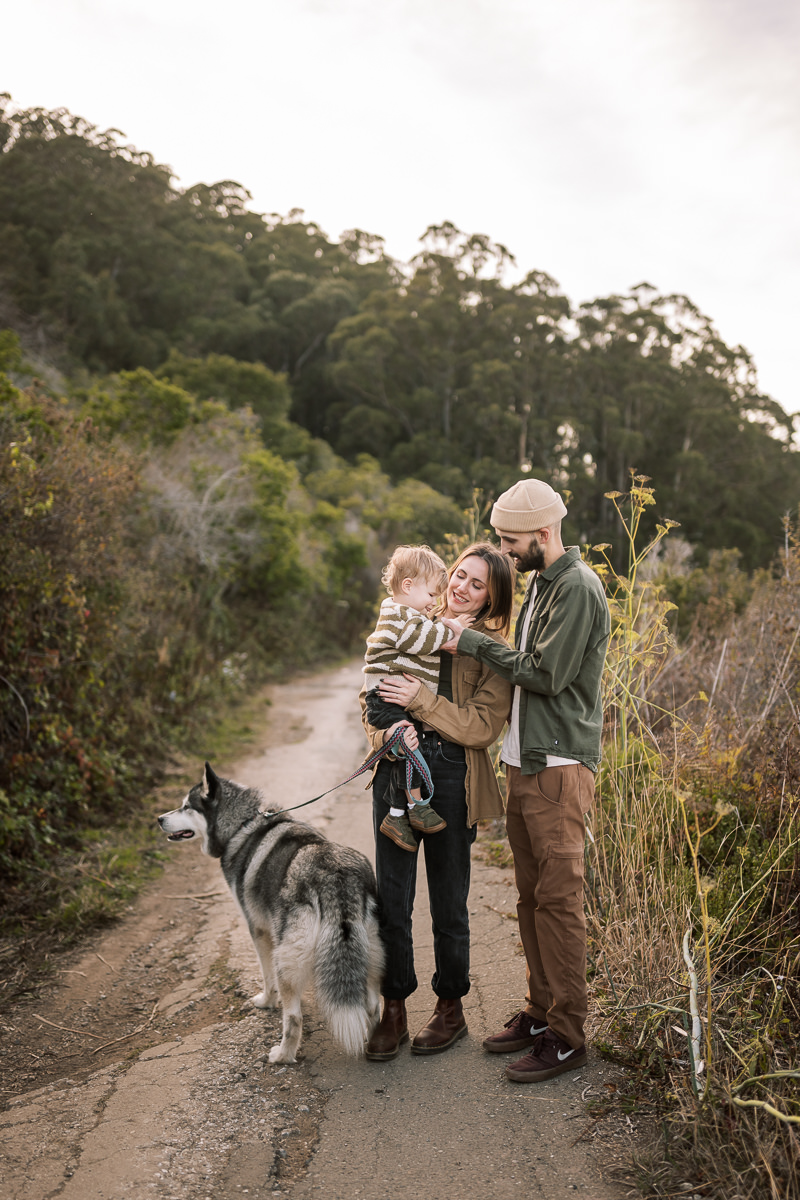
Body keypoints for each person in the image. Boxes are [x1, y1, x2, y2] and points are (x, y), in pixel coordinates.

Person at [441, 480, 610, 1084]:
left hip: (559, 769)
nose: (505, 552)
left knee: (560, 904)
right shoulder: (541, 582)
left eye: (511, 541)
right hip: (525, 763)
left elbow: (546, 675)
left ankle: (568, 1036)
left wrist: (472, 642)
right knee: (531, 898)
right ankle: (541, 1014)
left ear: (543, 533)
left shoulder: (578, 587)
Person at [360, 543, 515, 1060]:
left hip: (452, 773)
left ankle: (450, 1007)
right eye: (460, 575)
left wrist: (420, 701)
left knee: (449, 900)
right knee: (393, 897)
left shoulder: (492, 649)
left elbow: (483, 726)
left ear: (491, 598)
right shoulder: (411, 618)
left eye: (477, 584)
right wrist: (383, 733)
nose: (461, 587)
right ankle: (394, 1007)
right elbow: (374, 689)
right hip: (396, 766)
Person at [363, 544, 472, 850]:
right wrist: (454, 630)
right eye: (431, 595)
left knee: (408, 749)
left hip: (392, 700)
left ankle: (399, 814)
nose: (433, 603)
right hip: (385, 699)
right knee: (410, 747)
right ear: (408, 586)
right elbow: (421, 641)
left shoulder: (407, 615)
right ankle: (413, 805)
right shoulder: (398, 616)